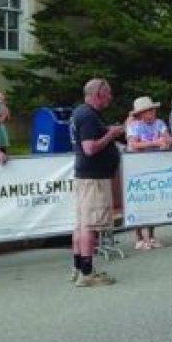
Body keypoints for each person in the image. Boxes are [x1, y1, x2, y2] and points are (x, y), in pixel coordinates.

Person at [70, 78, 126, 287]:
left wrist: (107, 132)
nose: (110, 97)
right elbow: (90, 148)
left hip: (87, 177)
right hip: (92, 178)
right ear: (97, 94)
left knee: (81, 224)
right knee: (89, 226)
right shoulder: (87, 116)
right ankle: (87, 273)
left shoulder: (83, 114)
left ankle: (78, 269)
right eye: (108, 93)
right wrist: (110, 134)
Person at [125, 95, 172, 249]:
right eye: (149, 111)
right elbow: (133, 145)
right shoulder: (133, 125)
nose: (153, 113)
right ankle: (139, 238)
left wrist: (165, 143)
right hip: (137, 168)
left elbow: (168, 138)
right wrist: (155, 143)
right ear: (141, 113)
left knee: (154, 201)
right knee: (137, 201)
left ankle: (151, 236)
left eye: (153, 110)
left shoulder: (159, 123)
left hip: (154, 167)